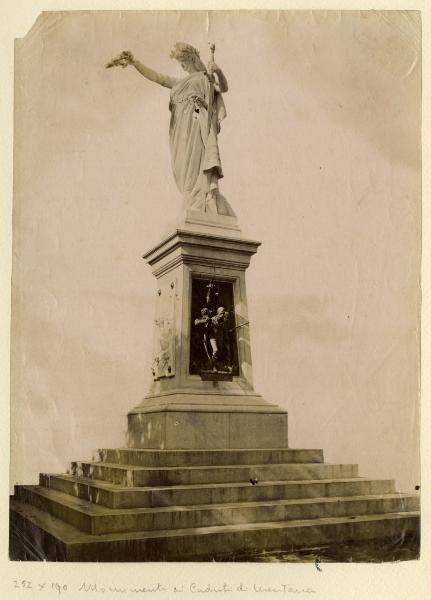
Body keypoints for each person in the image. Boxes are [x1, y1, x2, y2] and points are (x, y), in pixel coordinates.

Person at [107, 44, 234, 215]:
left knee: (198, 160)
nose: (182, 66)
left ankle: (202, 197)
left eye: (183, 61)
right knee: (185, 164)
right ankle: (194, 197)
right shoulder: (180, 82)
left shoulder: (205, 77)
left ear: (193, 59)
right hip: (182, 131)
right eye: (180, 63)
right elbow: (157, 77)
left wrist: (217, 71)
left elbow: (223, 88)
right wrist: (135, 63)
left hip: (198, 121)